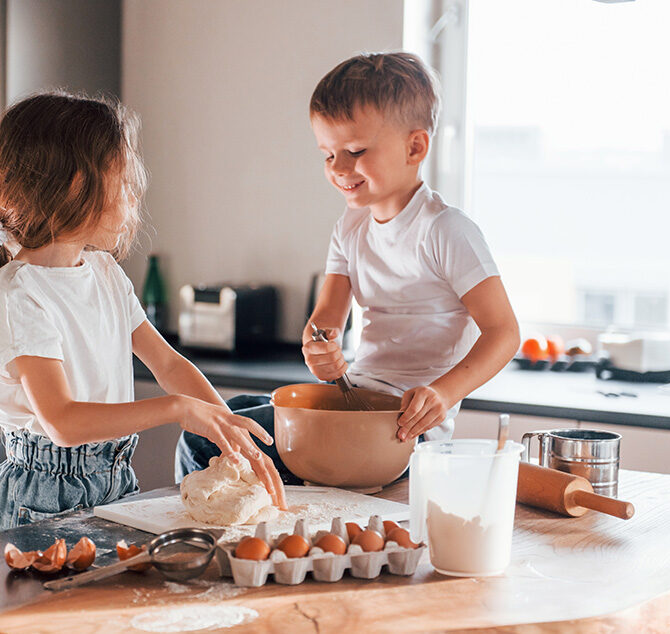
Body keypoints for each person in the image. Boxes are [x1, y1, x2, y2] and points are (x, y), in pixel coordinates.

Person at [0, 92, 285, 538]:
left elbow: (168, 363)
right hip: (39, 503)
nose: (133, 197)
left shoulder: (104, 273)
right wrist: (178, 409)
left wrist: (228, 432)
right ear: (78, 185)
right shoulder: (19, 294)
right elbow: (62, 422)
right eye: (123, 181)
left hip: (115, 485)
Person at [176, 52, 519, 482]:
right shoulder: (351, 225)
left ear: (415, 147)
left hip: (401, 427)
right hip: (355, 399)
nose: (338, 169)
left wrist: (443, 394)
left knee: (204, 436)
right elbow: (325, 321)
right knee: (236, 409)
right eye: (327, 154)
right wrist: (319, 346)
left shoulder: (446, 230)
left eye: (355, 151)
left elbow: (504, 332)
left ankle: (211, 529)